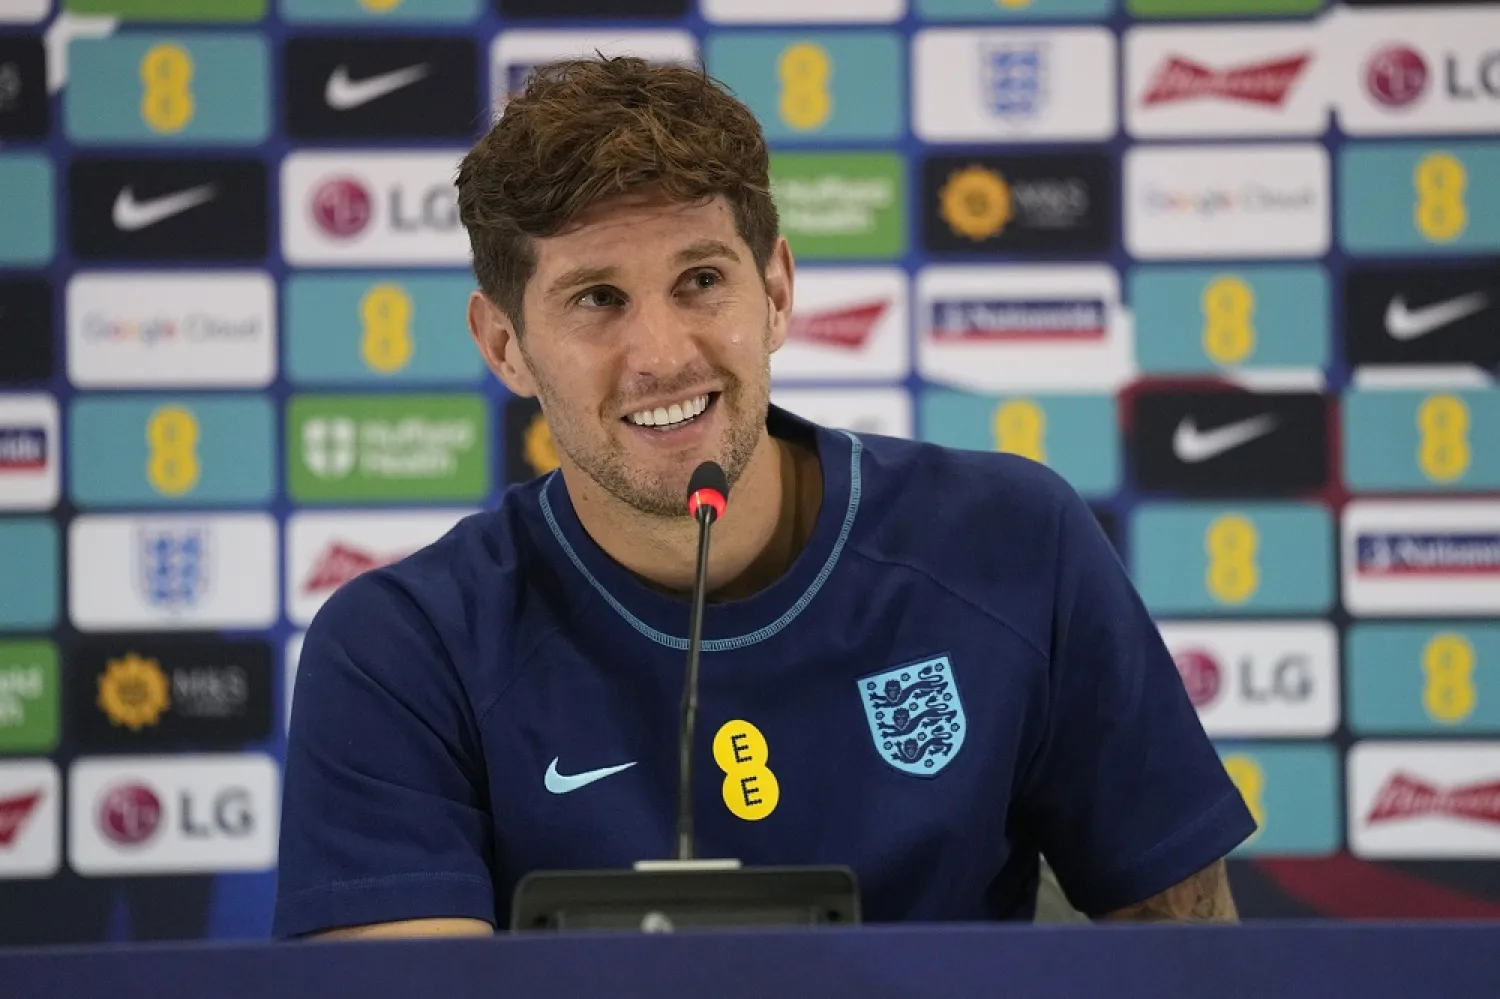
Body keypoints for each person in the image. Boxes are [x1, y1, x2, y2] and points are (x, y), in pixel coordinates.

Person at [272, 56, 1256, 941]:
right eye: (596, 300)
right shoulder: (401, 650)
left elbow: (1193, 952)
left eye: (701, 280)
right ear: (503, 346)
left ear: (776, 291)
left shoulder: (1013, 543)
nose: (662, 357)